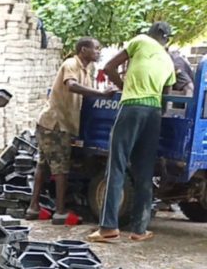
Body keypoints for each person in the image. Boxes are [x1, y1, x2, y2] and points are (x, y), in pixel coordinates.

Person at [89, 22, 176, 243]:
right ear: (166, 39)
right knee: (145, 172)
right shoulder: (168, 61)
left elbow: (109, 67)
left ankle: (108, 228)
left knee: (116, 165)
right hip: (154, 114)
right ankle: (139, 230)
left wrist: (124, 87)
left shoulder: (141, 40)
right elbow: (166, 96)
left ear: (151, 33)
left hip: (132, 107)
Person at [26, 37, 117, 224]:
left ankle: (33, 207)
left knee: (44, 166)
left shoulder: (86, 71)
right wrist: (101, 94)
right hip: (56, 124)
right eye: (96, 48)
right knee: (60, 169)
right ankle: (60, 212)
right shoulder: (71, 64)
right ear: (83, 50)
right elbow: (72, 86)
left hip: (53, 124)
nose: (98, 52)